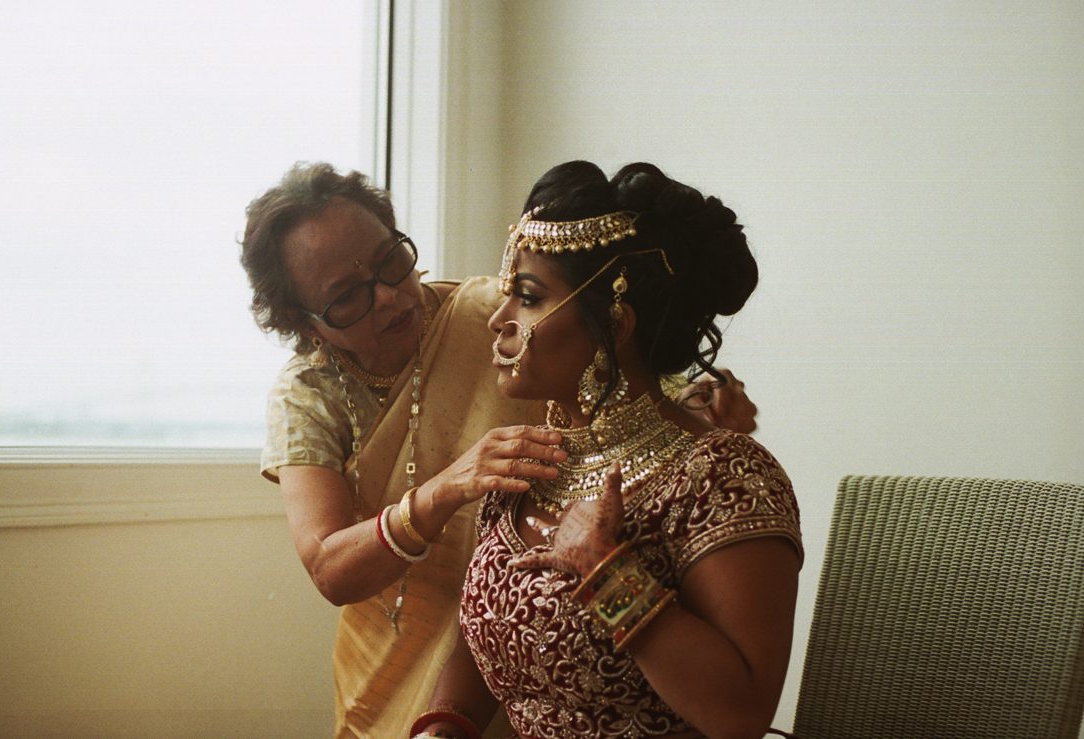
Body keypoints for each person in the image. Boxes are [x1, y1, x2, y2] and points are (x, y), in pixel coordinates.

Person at [239, 162, 762, 738]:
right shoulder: (310, 396)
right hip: (429, 667)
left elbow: (624, 375)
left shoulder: (714, 475)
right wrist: (444, 726)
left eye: (392, 260)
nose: (389, 296)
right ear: (303, 323)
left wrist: (694, 405)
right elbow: (338, 569)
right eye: (346, 297)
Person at [409, 161, 803, 739]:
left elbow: (740, 715)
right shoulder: (534, 462)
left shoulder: (723, 477)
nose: (498, 320)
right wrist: (443, 728)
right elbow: (488, 632)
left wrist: (605, 571)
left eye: (528, 297)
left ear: (615, 322)